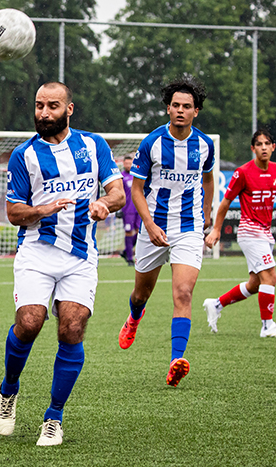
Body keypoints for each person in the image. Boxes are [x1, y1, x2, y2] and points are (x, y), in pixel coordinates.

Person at [0, 82, 125, 446]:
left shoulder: (93, 145)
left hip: (81, 255)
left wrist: (104, 204)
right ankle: (8, 390)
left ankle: (54, 416)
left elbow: (118, 192)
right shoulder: (23, 155)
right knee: (30, 322)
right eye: (38, 106)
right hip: (36, 251)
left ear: (69, 109)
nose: (43, 113)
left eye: (52, 106)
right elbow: (13, 212)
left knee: (71, 329)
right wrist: (42, 209)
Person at [117, 75, 215, 388]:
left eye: (187, 106)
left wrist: (207, 215)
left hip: (188, 229)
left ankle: (176, 360)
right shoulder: (152, 143)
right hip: (154, 226)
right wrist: (149, 224)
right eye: (175, 105)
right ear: (168, 108)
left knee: (183, 293)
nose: (181, 111)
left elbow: (209, 180)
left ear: (196, 111)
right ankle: (134, 317)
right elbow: (137, 189)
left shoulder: (204, 145)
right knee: (141, 293)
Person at [203, 129, 276, 337]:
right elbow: (225, 202)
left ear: (273, 147)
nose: (263, 147)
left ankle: (216, 305)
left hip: (265, 233)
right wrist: (217, 230)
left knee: (256, 284)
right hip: (249, 232)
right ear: (253, 148)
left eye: (267, 144)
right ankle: (267, 326)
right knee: (270, 277)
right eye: (259, 144)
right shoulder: (243, 172)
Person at [119, 155, 141, 266]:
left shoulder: (137, 175)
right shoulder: (121, 177)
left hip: (139, 208)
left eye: (130, 163)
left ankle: (126, 251)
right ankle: (129, 258)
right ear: (123, 164)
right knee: (129, 232)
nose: (128, 165)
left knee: (139, 232)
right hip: (127, 209)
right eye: (126, 163)